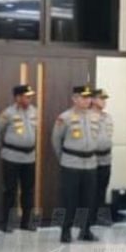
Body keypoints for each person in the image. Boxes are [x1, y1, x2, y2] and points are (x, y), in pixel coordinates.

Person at [52, 85, 100, 243]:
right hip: (71, 163)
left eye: (89, 97)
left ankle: (85, 230)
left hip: (90, 164)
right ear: (74, 99)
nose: (87, 100)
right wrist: (64, 159)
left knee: (88, 199)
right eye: (83, 97)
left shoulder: (95, 116)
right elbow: (56, 140)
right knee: (68, 199)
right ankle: (65, 231)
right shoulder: (64, 117)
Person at [0, 84, 38, 233]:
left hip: (29, 157)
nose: (29, 99)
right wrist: (5, 147)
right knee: (10, 191)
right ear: (18, 97)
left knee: (28, 191)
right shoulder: (8, 113)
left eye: (30, 97)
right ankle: (7, 223)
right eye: (26, 96)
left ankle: (26, 222)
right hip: (11, 157)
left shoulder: (34, 111)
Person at [92, 89, 114, 226]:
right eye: (101, 98)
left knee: (102, 189)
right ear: (93, 100)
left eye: (105, 99)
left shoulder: (107, 117)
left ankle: (100, 216)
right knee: (89, 190)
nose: (104, 101)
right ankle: (88, 217)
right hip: (92, 158)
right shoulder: (87, 116)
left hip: (106, 158)